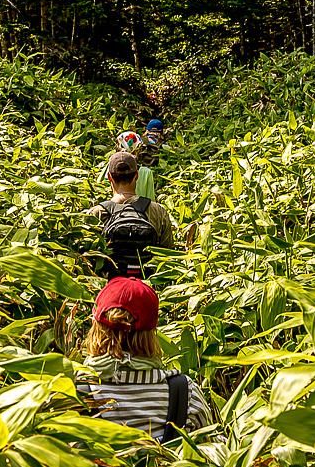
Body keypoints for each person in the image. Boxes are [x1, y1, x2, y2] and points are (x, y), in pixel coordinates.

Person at [76, 277, 213, 442]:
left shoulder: (73, 392)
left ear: (96, 328)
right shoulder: (186, 393)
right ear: (152, 332)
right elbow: (211, 454)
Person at [89, 151, 174, 279]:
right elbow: (169, 257)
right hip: (147, 287)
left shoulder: (97, 213)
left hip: (109, 289)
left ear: (109, 177)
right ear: (137, 176)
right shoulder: (158, 211)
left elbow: (88, 262)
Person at [99, 131, 155, 201]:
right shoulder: (146, 172)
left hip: (113, 208)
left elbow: (99, 187)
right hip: (140, 210)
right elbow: (150, 200)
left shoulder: (111, 167)